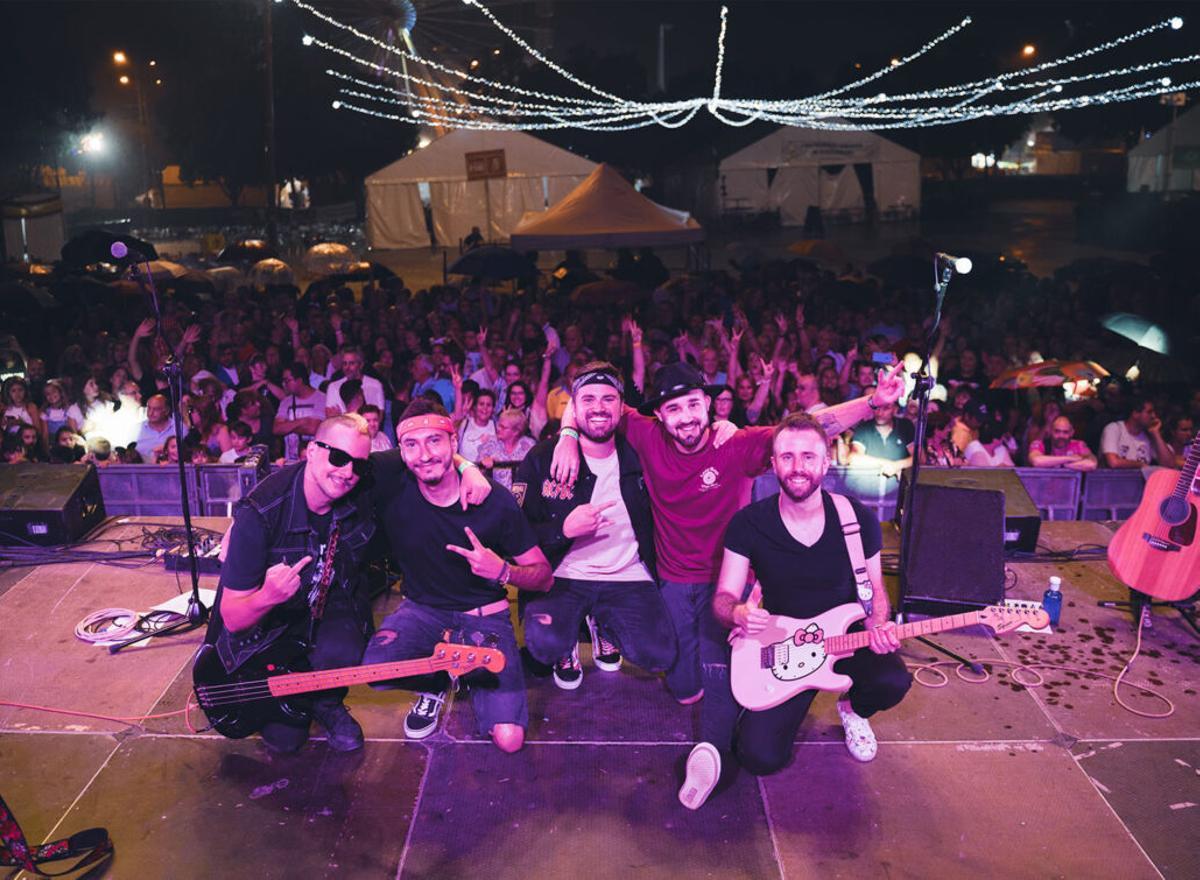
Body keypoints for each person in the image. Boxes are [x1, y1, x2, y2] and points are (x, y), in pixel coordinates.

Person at [550, 359, 905, 806]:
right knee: (684, 690)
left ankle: (713, 749)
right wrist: (565, 433)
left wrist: (874, 403)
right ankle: (732, 700)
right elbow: (597, 403)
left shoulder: (735, 444)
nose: (686, 417)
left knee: (722, 665)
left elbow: (810, 429)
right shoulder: (643, 432)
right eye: (674, 409)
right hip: (676, 580)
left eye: (694, 405)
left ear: (709, 405)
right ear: (660, 415)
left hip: (732, 581)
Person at [680, 413, 910, 808]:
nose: (797, 467)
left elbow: (873, 587)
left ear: (825, 463)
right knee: (759, 758)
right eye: (787, 457)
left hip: (847, 635)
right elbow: (723, 598)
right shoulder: (748, 524)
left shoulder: (857, 520)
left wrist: (878, 623)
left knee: (892, 681)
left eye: (808, 457)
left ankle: (853, 708)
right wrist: (738, 614)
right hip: (787, 646)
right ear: (773, 464)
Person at [363, 400, 552, 753]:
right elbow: (321, 467)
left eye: (435, 441)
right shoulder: (392, 488)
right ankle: (435, 683)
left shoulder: (494, 501)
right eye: (412, 445)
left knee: (509, 741)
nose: (424, 454)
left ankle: (465, 672)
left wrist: (504, 571)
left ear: (453, 443)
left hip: (485, 619)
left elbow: (544, 577)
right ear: (400, 452)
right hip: (423, 612)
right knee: (377, 669)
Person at [203, 414, 377, 753]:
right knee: (286, 741)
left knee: (349, 644)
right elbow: (234, 616)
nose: (348, 472)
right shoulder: (260, 513)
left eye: (359, 464)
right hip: (269, 627)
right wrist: (267, 596)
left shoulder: (361, 479)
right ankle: (295, 694)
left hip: (324, 604)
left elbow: (416, 453)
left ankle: (325, 702)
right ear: (311, 451)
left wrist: (465, 468)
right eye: (338, 458)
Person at [516, 362, 675, 690]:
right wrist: (564, 530)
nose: (599, 408)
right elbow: (516, 534)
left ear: (621, 406)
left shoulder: (640, 453)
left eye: (608, 399)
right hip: (563, 576)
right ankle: (566, 643)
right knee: (544, 647)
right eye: (588, 399)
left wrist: (724, 428)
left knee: (659, 655)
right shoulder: (543, 458)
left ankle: (604, 624)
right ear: (573, 408)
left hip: (628, 576)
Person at [848, 394, 915, 481]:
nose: (879, 413)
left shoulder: (905, 426)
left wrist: (898, 465)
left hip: (901, 484)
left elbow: (918, 457)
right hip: (870, 483)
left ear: (895, 409)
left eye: (886, 408)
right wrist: (887, 464)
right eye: (877, 408)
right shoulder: (864, 427)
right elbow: (853, 458)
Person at [1100, 398, 1173, 469]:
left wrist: (1156, 433)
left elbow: (1169, 465)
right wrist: (1140, 465)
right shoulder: (1114, 428)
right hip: (1113, 480)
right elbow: (1113, 462)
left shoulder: (1149, 435)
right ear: (1135, 414)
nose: (1153, 416)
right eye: (1149, 412)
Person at [274, 362, 325, 462]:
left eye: (287, 380)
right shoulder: (286, 402)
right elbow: (277, 429)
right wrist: (302, 422)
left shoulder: (321, 399)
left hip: (315, 460)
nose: (284, 384)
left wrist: (288, 426)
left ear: (299, 380)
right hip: (290, 461)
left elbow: (314, 429)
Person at [477, 408, 535, 492]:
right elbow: (476, 472)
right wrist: (483, 465)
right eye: (499, 425)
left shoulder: (529, 446)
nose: (498, 429)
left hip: (523, 497)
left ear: (516, 432)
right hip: (497, 497)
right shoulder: (490, 445)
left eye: (503, 427)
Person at [325, 346, 385, 416]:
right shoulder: (333, 387)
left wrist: (342, 416)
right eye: (344, 364)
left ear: (361, 365)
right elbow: (330, 416)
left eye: (352, 363)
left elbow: (379, 416)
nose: (347, 368)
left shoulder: (375, 385)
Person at [1027, 416, 1098, 470]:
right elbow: (1036, 461)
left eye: (1065, 432)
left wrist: (1063, 465)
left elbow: (1092, 464)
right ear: (1051, 431)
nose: (1061, 436)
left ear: (1072, 433)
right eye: (1057, 431)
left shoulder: (1078, 445)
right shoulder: (1039, 444)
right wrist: (1070, 459)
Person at [135, 394, 176, 461]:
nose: (150, 413)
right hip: (141, 470)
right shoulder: (136, 429)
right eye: (149, 408)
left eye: (156, 409)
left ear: (167, 410)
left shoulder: (179, 428)